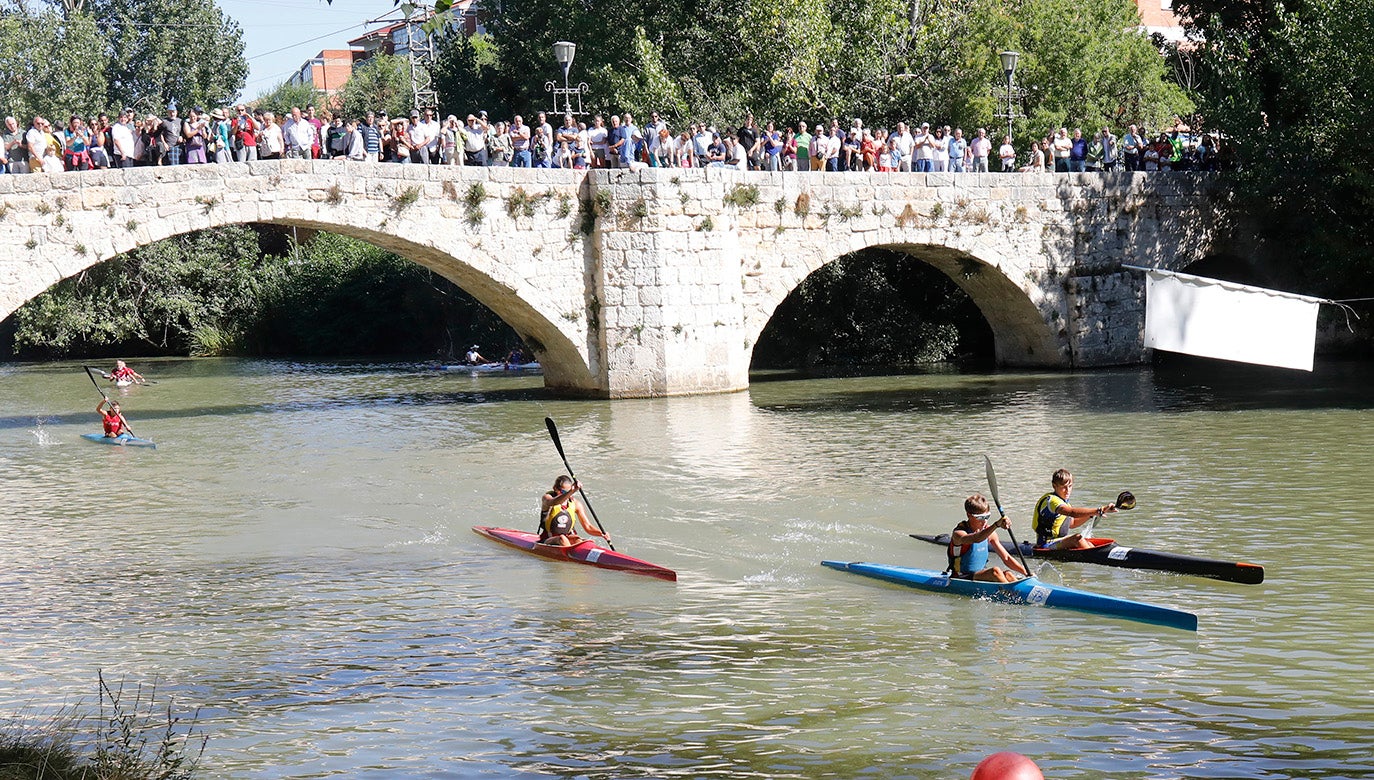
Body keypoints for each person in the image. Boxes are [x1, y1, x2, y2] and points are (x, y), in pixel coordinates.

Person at [948, 494, 1029, 583]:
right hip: (961, 577)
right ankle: (1013, 595)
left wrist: (1027, 573)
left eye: (987, 516)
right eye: (980, 517)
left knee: (1008, 574)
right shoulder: (959, 534)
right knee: (995, 571)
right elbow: (977, 538)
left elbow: (1006, 558)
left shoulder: (990, 533)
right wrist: (996, 525)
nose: (984, 521)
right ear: (969, 515)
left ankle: (1018, 591)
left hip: (979, 575)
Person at [1033, 469, 1117, 550]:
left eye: (1070, 486)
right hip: (1045, 544)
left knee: (1086, 540)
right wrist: (1099, 510)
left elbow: (1073, 523)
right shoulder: (1052, 501)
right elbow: (1072, 512)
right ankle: (1098, 558)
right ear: (1054, 486)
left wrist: (1091, 515)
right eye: (1063, 487)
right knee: (1077, 538)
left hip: (1058, 541)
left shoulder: (1064, 502)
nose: (1068, 491)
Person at [538, 475, 610, 547]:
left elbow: (587, 527)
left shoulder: (575, 503)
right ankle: (568, 556)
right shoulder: (547, 498)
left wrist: (601, 533)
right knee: (562, 538)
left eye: (570, 491)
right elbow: (554, 502)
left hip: (568, 537)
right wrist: (570, 491)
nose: (568, 495)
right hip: (548, 539)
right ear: (555, 488)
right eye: (563, 492)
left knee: (578, 540)